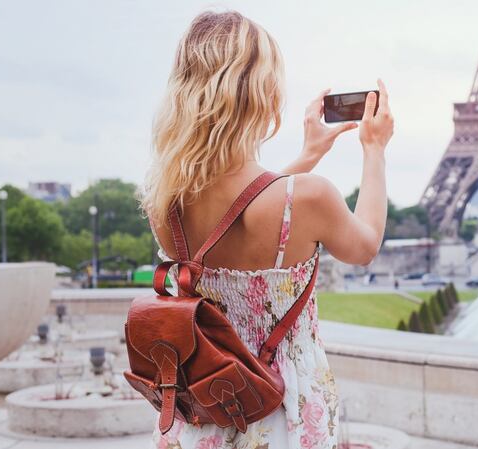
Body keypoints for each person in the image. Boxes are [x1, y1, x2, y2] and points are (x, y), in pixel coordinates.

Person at [139, 10, 394, 449]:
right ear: (262, 93)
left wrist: (307, 155)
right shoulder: (309, 198)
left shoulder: (165, 200)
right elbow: (365, 244)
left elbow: (239, 212)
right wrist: (374, 149)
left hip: (201, 409)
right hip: (281, 410)